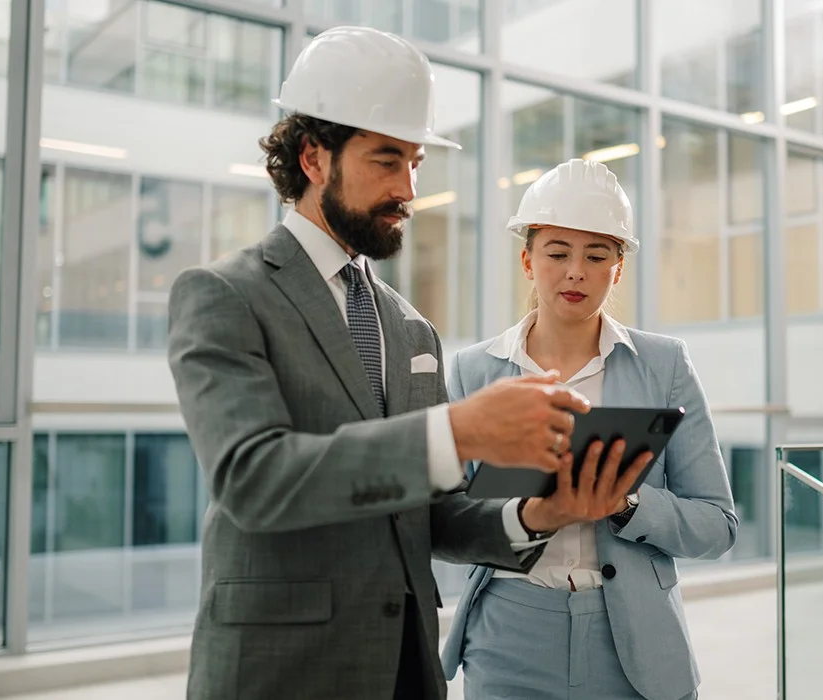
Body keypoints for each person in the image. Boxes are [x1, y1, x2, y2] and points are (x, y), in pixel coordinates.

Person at [167, 27, 599, 700]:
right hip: (278, 672)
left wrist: (539, 515)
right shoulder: (225, 295)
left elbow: (428, 515)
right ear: (313, 158)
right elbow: (253, 479)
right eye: (387, 160)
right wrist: (459, 431)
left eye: (417, 163)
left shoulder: (410, 328)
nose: (409, 189)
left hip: (404, 672)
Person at [440, 158, 739, 700]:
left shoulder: (664, 365)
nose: (575, 270)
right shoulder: (472, 370)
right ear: (528, 261)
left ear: (617, 269)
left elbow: (718, 524)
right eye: (557, 253)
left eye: (596, 255)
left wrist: (625, 504)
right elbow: (445, 519)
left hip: (633, 639)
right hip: (509, 632)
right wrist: (531, 514)